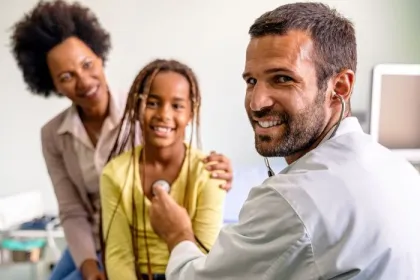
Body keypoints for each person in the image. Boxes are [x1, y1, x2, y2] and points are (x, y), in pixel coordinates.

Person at [148, 2, 420, 279]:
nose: (256, 102)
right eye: (251, 81)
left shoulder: (293, 201)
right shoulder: (401, 171)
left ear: (339, 87)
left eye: (282, 79)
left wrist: (177, 234)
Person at [10, 1, 233, 280]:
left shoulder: (145, 110)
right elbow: (72, 211)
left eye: (87, 64)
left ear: (100, 56)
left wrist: (221, 168)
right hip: (93, 241)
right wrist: (90, 268)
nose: (84, 81)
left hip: (141, 237)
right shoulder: (53, 136)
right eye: (66, 76)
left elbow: (184, 158)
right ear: (52, 83)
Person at [100, 59, 227, 280]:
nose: (163, 114)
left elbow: (206, 254)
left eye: (177, 105)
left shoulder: (208, 172)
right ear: (136, 107)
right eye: (152, 103)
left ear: (191, 113)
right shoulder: (115, 173)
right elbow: (118, 255)